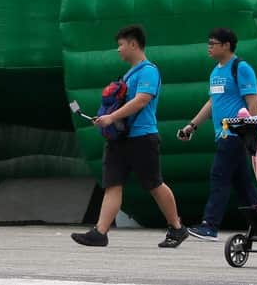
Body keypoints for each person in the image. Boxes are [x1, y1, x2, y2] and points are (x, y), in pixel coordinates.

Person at [72, 25, 189, 248]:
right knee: (112, 184)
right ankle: (100, 232)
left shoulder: (149, 71)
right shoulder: (128, 74)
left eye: (121, 45)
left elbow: (142, 100)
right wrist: (106, 118)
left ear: (133, 44)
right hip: (120, 139)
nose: (119, 50)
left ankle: (177, 227)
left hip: (142, 138)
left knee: (154, 184)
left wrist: (112, 116)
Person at [178, 28, 257, 241]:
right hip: (222, 135)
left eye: (213, 43)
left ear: (226, 45)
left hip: (235, 135)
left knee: (219, 176)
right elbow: (212, 103)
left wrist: (251, 136)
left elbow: (253, 104)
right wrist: (192, 126)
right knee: (243, 185)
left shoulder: (241, 69)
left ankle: (210, 225)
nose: (209, 47)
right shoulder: (216, 72)